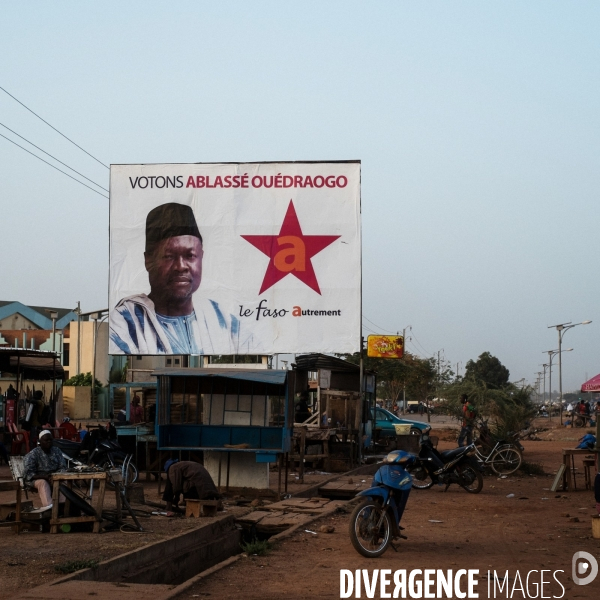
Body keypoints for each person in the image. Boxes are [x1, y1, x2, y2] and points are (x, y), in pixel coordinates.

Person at [109, 202, 249, 355]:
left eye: (190, 256)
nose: (181, 266)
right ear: (148, 260)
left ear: (201, 257)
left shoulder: (223, 319)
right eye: (169, 256)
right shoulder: (125, 322)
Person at [23, 430, 66, 510]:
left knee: (64, 481)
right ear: (40, 441)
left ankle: (62, 508)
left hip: (54, 477)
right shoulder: (33, 454)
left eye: (50, 440)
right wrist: (45, 477)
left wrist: (56, 476)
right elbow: (29, 473)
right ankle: (49, 508)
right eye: (46, 440)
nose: (49, 442)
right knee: (43, 483)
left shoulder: (56, 451)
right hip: (36, 479)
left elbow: (63, 466)